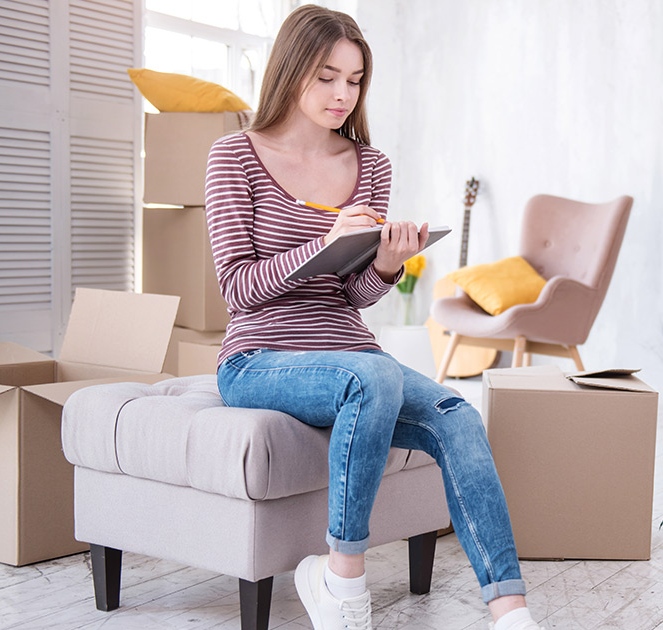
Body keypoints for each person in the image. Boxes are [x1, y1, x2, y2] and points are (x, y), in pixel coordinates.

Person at [204, 6, 545, 630]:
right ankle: (344, 580)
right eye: (327, 76)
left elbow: (353, 295)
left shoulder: (370, 165)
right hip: (259, 358)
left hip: (348, 353)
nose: (342, 94)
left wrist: (387, 262)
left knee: (458, 416)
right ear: (290, 70)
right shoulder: (234, 155)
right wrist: (323, 239)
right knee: (375, 377)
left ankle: (510, 611)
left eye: (355, 80)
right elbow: (237, 290)